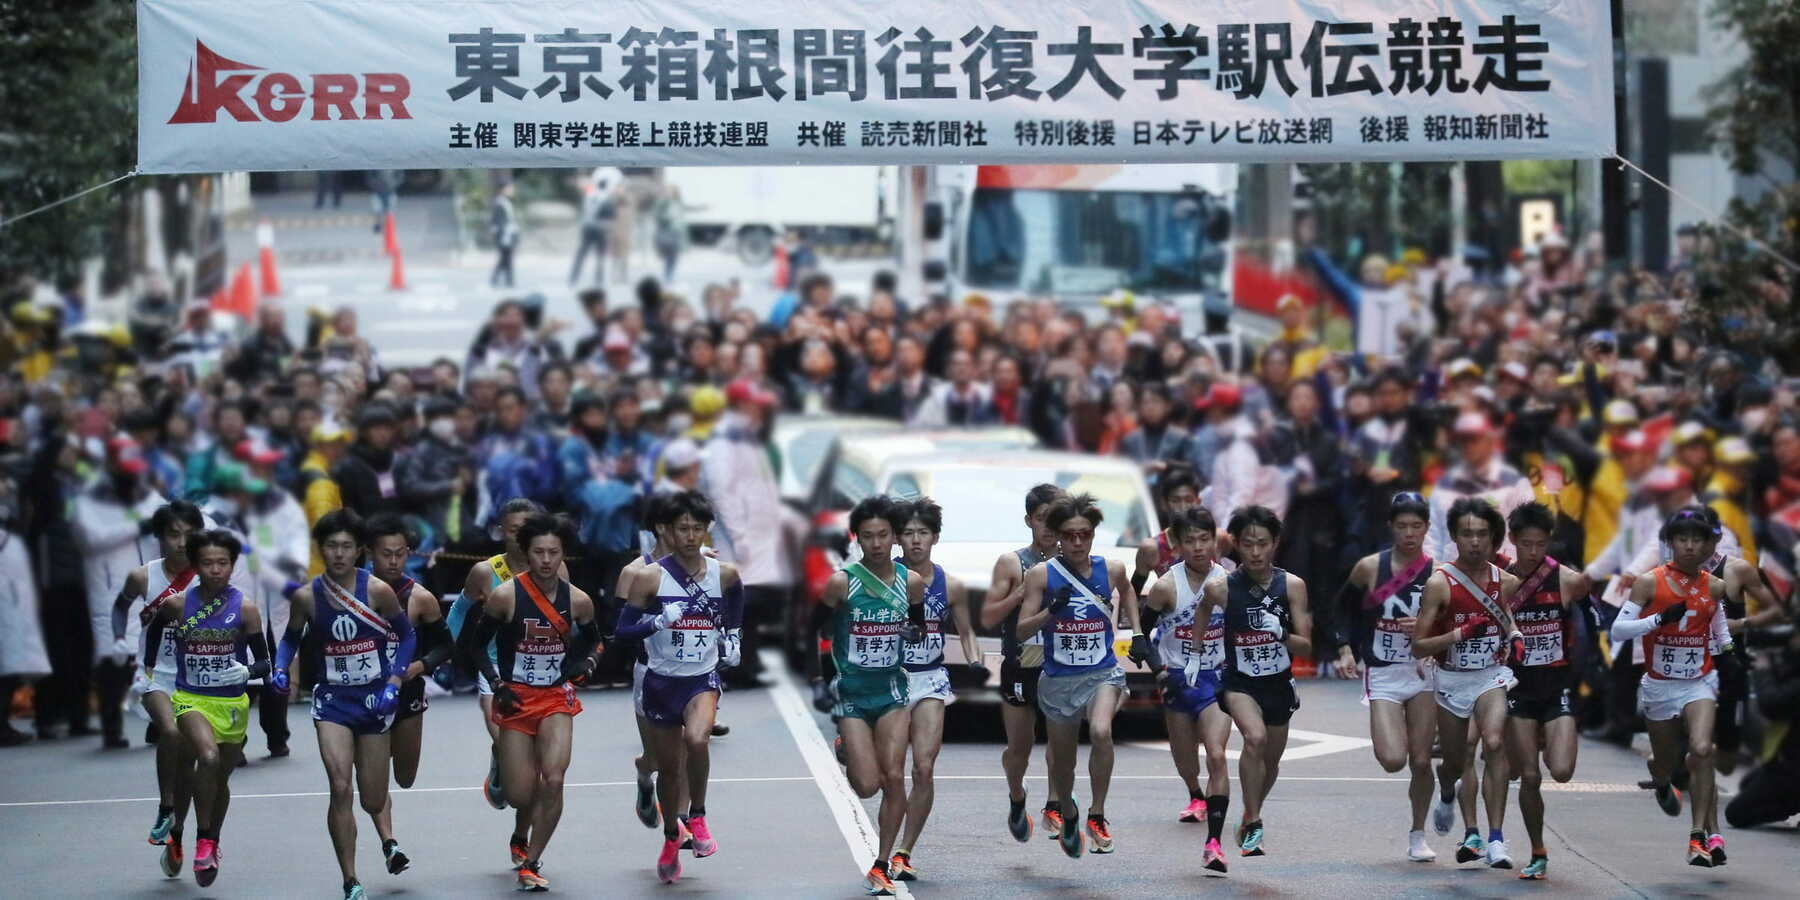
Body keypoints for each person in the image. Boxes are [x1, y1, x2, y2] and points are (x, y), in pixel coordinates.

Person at [272, 510, 417, 900]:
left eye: (346, 547)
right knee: (340, 787)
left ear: (359, 551)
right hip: (333, 701)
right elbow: (289, 639)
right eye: (331, 546)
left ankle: (383, 838)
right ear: (322, 550)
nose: (338, 554)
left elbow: (406, 638)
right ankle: (350, 879)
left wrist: (393, 680)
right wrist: (281, 668)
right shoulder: (307, 596)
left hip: (374, 701)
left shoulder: (378, 592)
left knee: (372, 797)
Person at [458, 513, 603, 892]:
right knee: (521, 793)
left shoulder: (579, 601)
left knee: (553, 778)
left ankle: (532, 861)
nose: (546, 560)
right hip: (515, 698)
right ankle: (514, 809)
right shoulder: (506, 597)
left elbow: (596, 641)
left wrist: (586, 664)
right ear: (527, 552)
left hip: (556, 698)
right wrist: (495, 683)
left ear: (563, 555)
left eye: (553, 552)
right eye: (538, 552)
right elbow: (474, 645)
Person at [616, 490, 740, 884]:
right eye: (682, 528)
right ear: (667, 530)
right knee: (668, 771)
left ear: (708, 530)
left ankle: (698, 816)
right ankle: (672, 836)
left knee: (699, 740)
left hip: (701, 678)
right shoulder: (648, 576)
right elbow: (621, 631)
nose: (690, 536)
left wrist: (734, 637)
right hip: (659, 680)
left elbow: (737, 597)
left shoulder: (724, 573)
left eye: (697, 528)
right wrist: (657, 622)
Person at [1014, 492, 1142, 858]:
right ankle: (1068, 813)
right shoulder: (1041, 574)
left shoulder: (1112, 568)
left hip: (1102, 673)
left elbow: (1128, 592)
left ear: (1092, 534)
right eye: (1069, 535)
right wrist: (1050, 612)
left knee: (1101, 731)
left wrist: (1137, 634)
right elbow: (1021, 631)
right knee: (1063, 764)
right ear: (1057, 535)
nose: (1077, 542)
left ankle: (1097, 814)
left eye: (1084, 534)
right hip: (1057, 681)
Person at [814, 495, 926, 896]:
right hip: (852, 694)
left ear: (895, 537)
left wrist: (915, 632)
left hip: (893, 691)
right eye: (868, 537)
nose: (876, 544)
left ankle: (881, 863)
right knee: (866, 785)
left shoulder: (910, 581)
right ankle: (847, 744)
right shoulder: (843, 582)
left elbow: (918, 626)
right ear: (856, 538)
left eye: (883, 535)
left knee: (895, 776)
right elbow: (818, 631)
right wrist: (817, 679)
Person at [146, 528, 271, 888]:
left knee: (218, 779)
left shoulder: (246, 609)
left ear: (232, 566)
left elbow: (266, 663)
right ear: (195, 565)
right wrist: (150, 668)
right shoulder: (178, 604)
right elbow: (155, 629)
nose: (215, 570)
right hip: (191, 699)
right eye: (207, 563)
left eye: (223, 563)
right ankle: (199, 837)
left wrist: (248, 670)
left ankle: (206, 839)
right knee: (208, 758)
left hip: (232, 704)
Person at [1609, 506, 1733, 868]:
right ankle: (1661, 776)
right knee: (1668, 761)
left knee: (1702, 748)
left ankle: (1700, 836)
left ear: (1710, 545)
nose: (1690, 547)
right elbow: (1618, 630)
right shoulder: (1650, 582)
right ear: (1670, 543)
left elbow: (1718, 629)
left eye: (1698, 540)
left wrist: (1729, 651)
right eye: (1683, 539)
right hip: (1660, 686)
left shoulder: (1715, 585)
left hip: (1699, 682)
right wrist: (1658, 619)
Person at [1412, 498, 1526, 871]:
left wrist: (1515, 635)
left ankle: (1494, 838)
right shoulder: (1439, 584)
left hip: (1489, 676)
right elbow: (1419, 645)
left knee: (1493, 742)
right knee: (1454, 761)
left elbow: (1505, 617)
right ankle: (1447, 793)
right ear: (1456, 538)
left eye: (1482, 534)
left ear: (1494, 538)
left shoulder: (1506, 582)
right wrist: (1459, 634)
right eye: (1467, 534)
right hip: (1451, 680)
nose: (1475, 542)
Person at [1199, 505, 1311, 858]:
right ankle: (1257, 822)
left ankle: (1248, 815)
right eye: (1247, 544)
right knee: (1254, 737)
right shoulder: (1222, 587)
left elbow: (1306, 645)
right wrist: (1195, 653)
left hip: (1278, 684)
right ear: (1236, 545)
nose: (1256, 552)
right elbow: (1203, 609)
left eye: (1263, 543)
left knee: (1271, 762)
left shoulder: (1292, 585)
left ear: (1275, 542)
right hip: (1239, 682)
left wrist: (1281, 633)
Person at [446, 499, 562, 828]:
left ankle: (520, 839)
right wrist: (449, 649)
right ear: (502, 532)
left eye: (527, 531)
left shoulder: (554, 569)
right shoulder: (485, 573)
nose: (521, 538)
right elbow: (459, 611)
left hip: (541, 673)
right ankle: (500, 758)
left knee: (537, 766)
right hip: (495, 671)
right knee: (507, 742)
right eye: (513, 531)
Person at [1338, 491, 1439, 863]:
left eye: (1416, 526)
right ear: (1390, 528)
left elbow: (1452, 617)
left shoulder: (1438, 570)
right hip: (1382, 670)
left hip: (1423, 671)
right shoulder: (1369, 567)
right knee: (1393, 759)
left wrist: (1429, 626)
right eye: (1402, 526)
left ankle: (1418, 833)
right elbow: (1342, 609)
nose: (1409, 534)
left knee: (1422, 760)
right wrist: (1344, 647)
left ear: (1427, 528)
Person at [889, 497, 985, 882]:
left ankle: (904, 851)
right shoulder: (882, 577)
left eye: (923, 533)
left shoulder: (952, 585)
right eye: (909, 533)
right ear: (898, 538)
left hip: (930, 679)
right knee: (890, 772)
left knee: (924, 768)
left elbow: (966, 632)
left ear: (935, 538)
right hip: (889, 680)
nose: (916, 541)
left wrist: (978, 662)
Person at [111, 501, 204, 875]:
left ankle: (177, 835)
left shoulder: (208, 577)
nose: (182, 542)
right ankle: (165, 806)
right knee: (169, 731)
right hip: (154, 673)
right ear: (160, 538)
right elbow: (120, 607)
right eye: (173, 534)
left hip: (194, 676)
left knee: (188, 762)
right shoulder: (142, 576)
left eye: (189, 534)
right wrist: (120, 636)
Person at [1141, 507, 1233, 873]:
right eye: (1190, 540)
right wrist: (1159, 671)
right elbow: (1140, 636)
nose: (1198, 547)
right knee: (1186, 759)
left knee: (1217, 754)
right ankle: (1196, 794)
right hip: (1180, 678)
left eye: (1204, 539)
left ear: (1214, 541)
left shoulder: (1227, 581)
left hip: (1216, 679)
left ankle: (1214, 843)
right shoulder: (1165, 587)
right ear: (1177, 545)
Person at [1502, 502, 1589, 880]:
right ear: (1513, 541)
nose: (1533, 552)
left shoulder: (1568, 580)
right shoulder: (1501, 581)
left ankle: (1550, 737)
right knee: (1530, 776)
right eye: (1526, 544)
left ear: (1549, 542)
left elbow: (1591, 630)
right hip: (1518, 691)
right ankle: (1538, 851)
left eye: (1540, 544)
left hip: (1557, 689)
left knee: (1562, 770)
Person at [978, 483, 1064, 844]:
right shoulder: (1012, 562)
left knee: (1063, 741)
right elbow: (986, 617)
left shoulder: (1075, 561)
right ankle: (1017, 797)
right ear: (1029, 520)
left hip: (1062, 665)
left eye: (1055, 520)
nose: (1049, 528)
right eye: (1042, 519)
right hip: (1021, 665)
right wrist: (1021, 592)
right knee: (1020, 748)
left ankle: (1056, 804)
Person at [73, 435, 166, 749]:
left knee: (153, 651)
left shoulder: (143, 491)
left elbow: (163, 516)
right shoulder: (90, 498)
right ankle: (111, 727)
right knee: (114, 655)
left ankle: (158, 723)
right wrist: (133, 528)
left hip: (148, 580)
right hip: (109, 583)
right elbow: (89, 537)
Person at [363, 515, 454, 790]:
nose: (393, 561)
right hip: (361, 691)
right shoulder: (354, 593)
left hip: (406, 691)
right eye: (386, 554)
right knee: (371, 780)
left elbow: (447, 645)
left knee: (404, 777)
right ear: (369, 553)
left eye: (400, 554)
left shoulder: (420, 598)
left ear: (408, 554)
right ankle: (387, 834)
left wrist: (420, 666)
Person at [491, 182, 519, 289]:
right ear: (503, 190)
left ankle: (505, 280)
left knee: (506, 258)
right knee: (505, 258)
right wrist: (503, 232)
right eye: (509, 189)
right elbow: (497, 221)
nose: (512, 191)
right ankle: (507, 280)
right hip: (504, 235)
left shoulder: (507, 202)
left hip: (508, 234)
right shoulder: (499, 203)